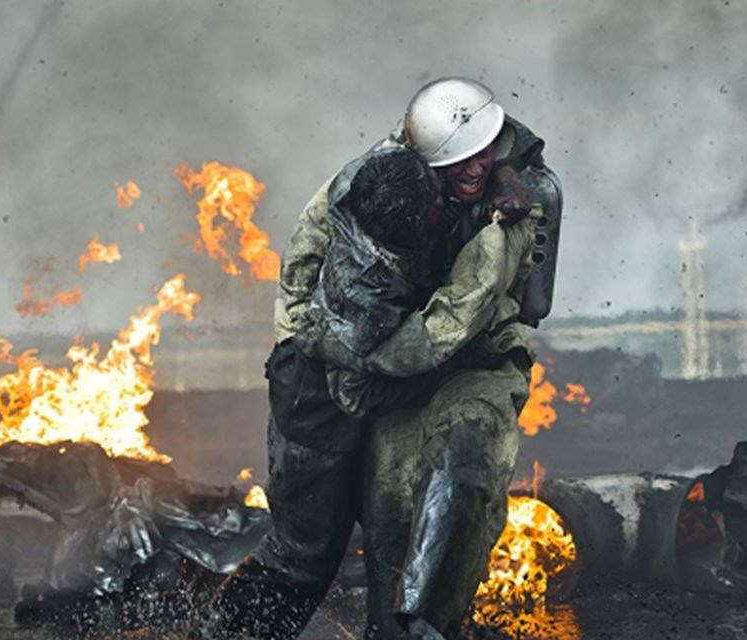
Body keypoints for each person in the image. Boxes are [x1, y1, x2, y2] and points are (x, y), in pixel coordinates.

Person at [202, 77, 559, 639]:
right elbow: (385, 361)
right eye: (461, 164)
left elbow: (507, 143)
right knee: (306, 550)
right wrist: (458, 346)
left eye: (483, 157)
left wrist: (507, 175)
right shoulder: (367, 244)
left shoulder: (446, 154)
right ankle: (228, 636)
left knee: (402, 521)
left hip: (405, 370)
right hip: (323, 376)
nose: (476, 170)